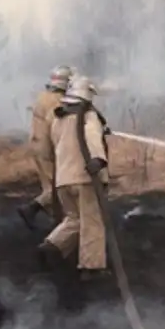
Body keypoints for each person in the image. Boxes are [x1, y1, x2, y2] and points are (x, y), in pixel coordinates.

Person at [37, 76, 111, 281]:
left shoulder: (58, 120)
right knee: (92, 222)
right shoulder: (88, 116)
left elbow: (57, 146)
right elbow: (91, 135)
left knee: (74, 219)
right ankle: (92, 267)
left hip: (63, 181)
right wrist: (98, 159)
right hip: (85, 179)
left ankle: (51, 246)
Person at [16, 65, 74, 230]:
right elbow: (56, 125)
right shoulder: (57, 102)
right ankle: (31, 209)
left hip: (36, 143)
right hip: (47, 147)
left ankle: (55, 222)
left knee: (47, 185)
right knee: (57, 186)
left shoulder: (43, 96)